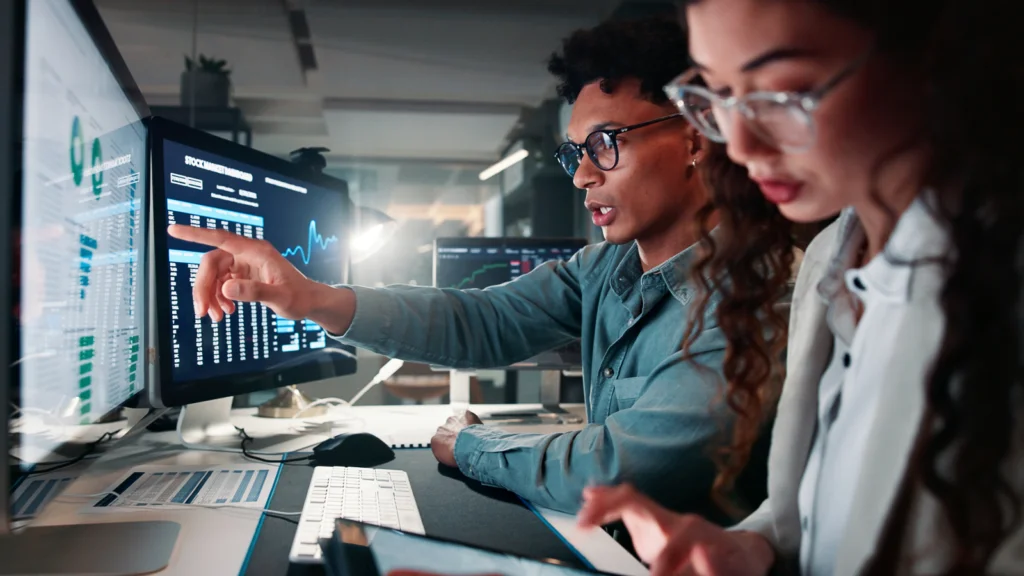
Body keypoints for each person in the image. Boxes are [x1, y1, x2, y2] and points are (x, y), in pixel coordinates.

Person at [171, 17, 772, 517]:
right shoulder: (605, 269)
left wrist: (474, 445)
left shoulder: (758, 295)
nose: (585, 174)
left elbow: (624, 469)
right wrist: (310, 298)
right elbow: (483, 320)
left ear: (696, 138)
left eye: (606, 143)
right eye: (576, 152)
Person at [577, 0, 1024, 574]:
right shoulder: (827, 259)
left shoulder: (999, 278)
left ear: (933, 61)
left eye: (781, 92)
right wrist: (750, 546)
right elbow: (815, 513)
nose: (740, 146)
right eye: (720, 96)